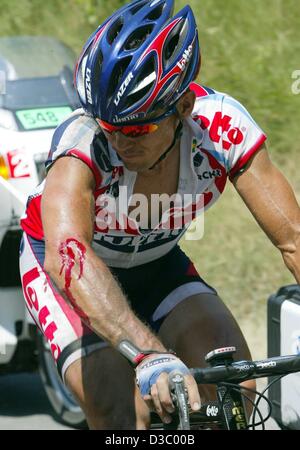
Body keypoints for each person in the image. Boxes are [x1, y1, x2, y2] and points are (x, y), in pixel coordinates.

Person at [19, 0, 300, 430]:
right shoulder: (82, 145)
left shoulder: (221, 129)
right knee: (120, 414)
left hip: (156, 266)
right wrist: (150, 354)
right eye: (109, 127)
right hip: (66, 271)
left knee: (232, 397)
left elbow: (293, 238)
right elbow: (69, 257)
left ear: (184, 107)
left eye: (136, 130)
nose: (118, 142)